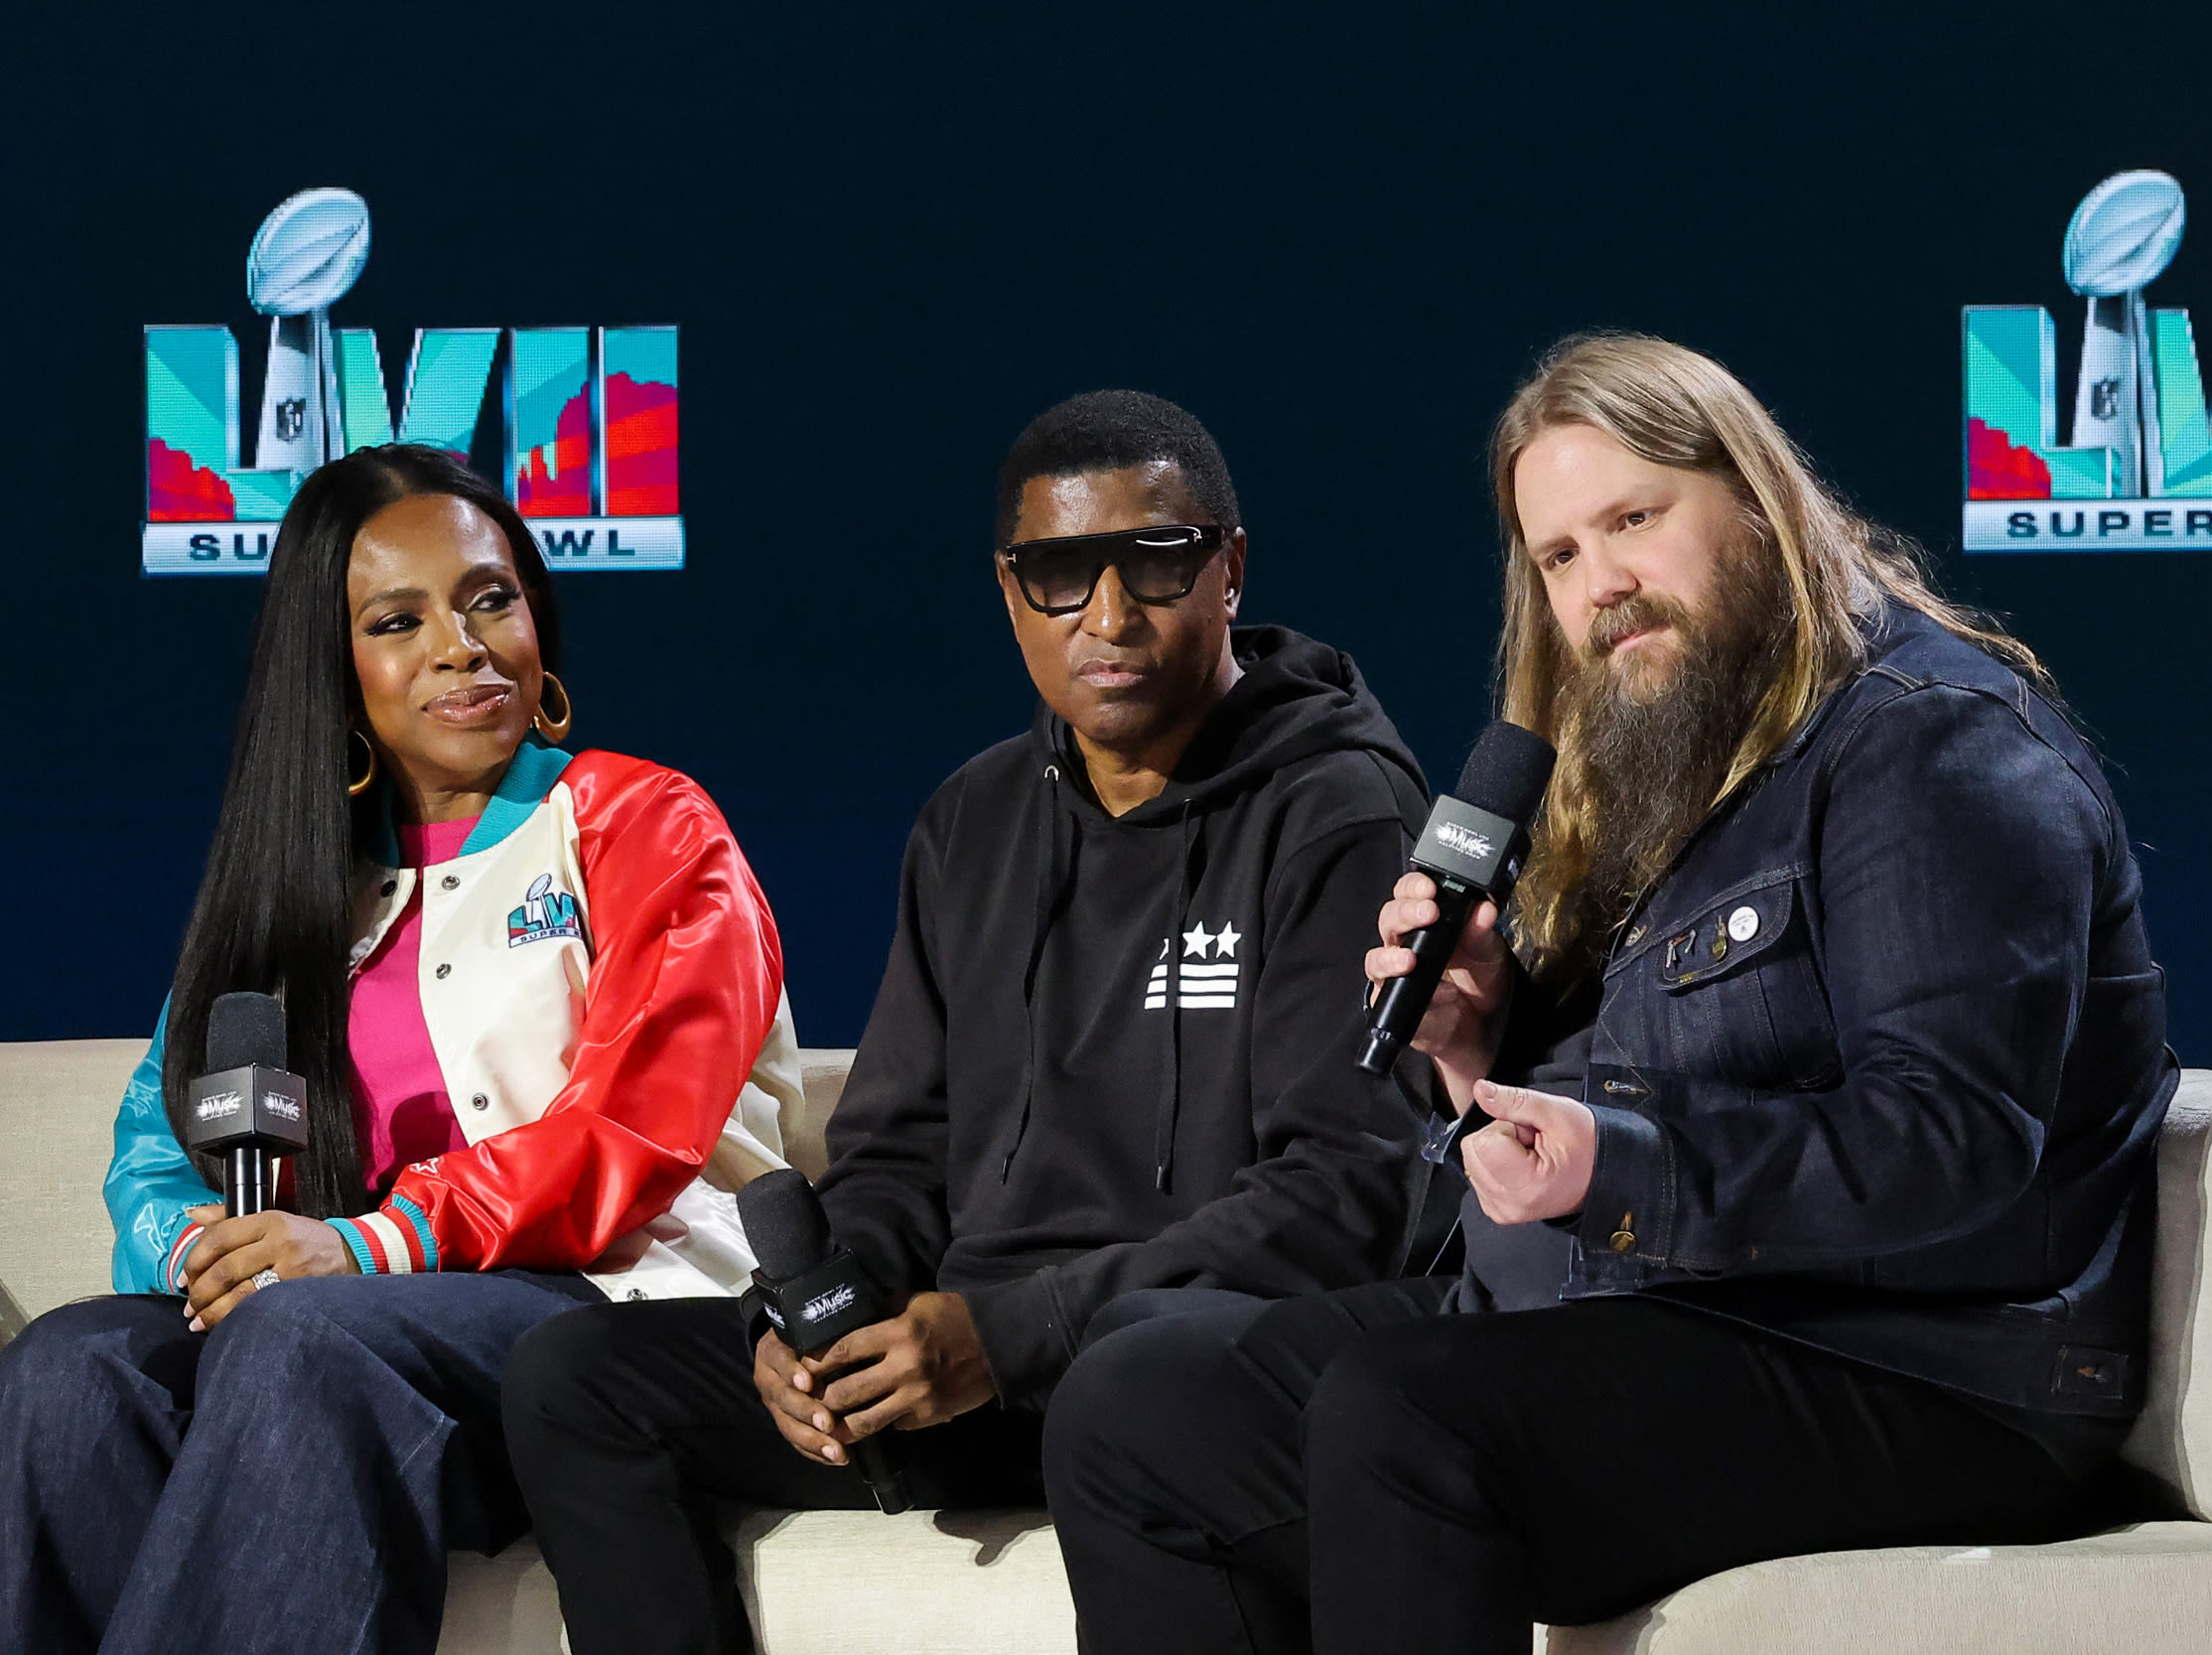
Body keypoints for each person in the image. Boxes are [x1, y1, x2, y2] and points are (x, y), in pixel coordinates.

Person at [1043, 335, 2179, 1654]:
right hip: (1679, 1311)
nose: (1605, 586)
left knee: (1410, 1410)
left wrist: (1621, 1165)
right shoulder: (1675, 751)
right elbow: (1639, 1098)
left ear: (1756, 499)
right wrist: (1480, 1049)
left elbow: (1957, 1138)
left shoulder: (1930, 743)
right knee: (1136, 1400)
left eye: (1635, 519)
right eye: (1561, 555)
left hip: (1942, 1367)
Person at [501, 390, 1439, 1654]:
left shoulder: (1334, 809)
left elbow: (1348, 1186)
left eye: (1155, 563)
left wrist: (1021, 1333)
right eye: (1060, 575)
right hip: (973, 1361)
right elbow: (897, 1152)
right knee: (577, 1381)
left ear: (1228, 570)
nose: (1108, 618)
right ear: (1011, 593)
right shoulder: (971, 822)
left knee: (1132, 1377)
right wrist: (825, 1320)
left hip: (1180, 1363)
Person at [0, 445, 805, 1655]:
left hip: (615, 1313)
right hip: (344, 1337)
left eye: (490, 598)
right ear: (335, 671)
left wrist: (374, 1241)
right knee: (72, 1368)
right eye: (397, 620)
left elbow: (632, 1128)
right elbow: (160, 1143)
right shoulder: (291, 883)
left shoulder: (645, 822)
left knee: (301, 1338)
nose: (460, 645)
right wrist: (211, 1252)